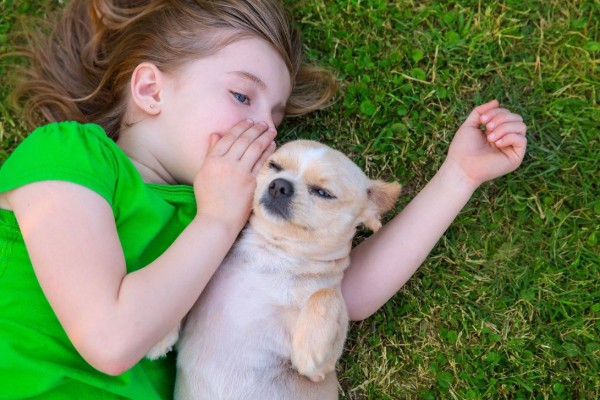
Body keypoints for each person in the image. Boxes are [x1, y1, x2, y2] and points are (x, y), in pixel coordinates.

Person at [0, 0, 527, 398]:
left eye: (275, 120)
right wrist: (215, 220)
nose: (262, 129)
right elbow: (110, 340)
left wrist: (459, 175)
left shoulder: (228, 204)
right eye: (241, 95)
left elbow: (347, 288)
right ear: (151, 90)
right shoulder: (70, 155)